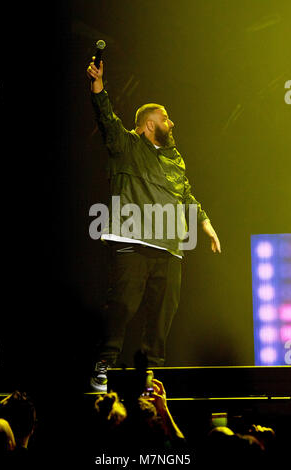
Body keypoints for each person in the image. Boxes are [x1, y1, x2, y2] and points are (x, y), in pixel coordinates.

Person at [86, 57, 221, 391]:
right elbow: (107, 120)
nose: (171, 123)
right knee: (123, 303)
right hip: (133, 239)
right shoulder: (127, 145)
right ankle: (104, 363)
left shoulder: (175, 159)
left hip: (171, 247)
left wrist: (206, 225)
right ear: (148, 124)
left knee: (163, 314)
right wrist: (98, 86)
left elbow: (187, 195)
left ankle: (150, 373)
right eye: (165, 118)